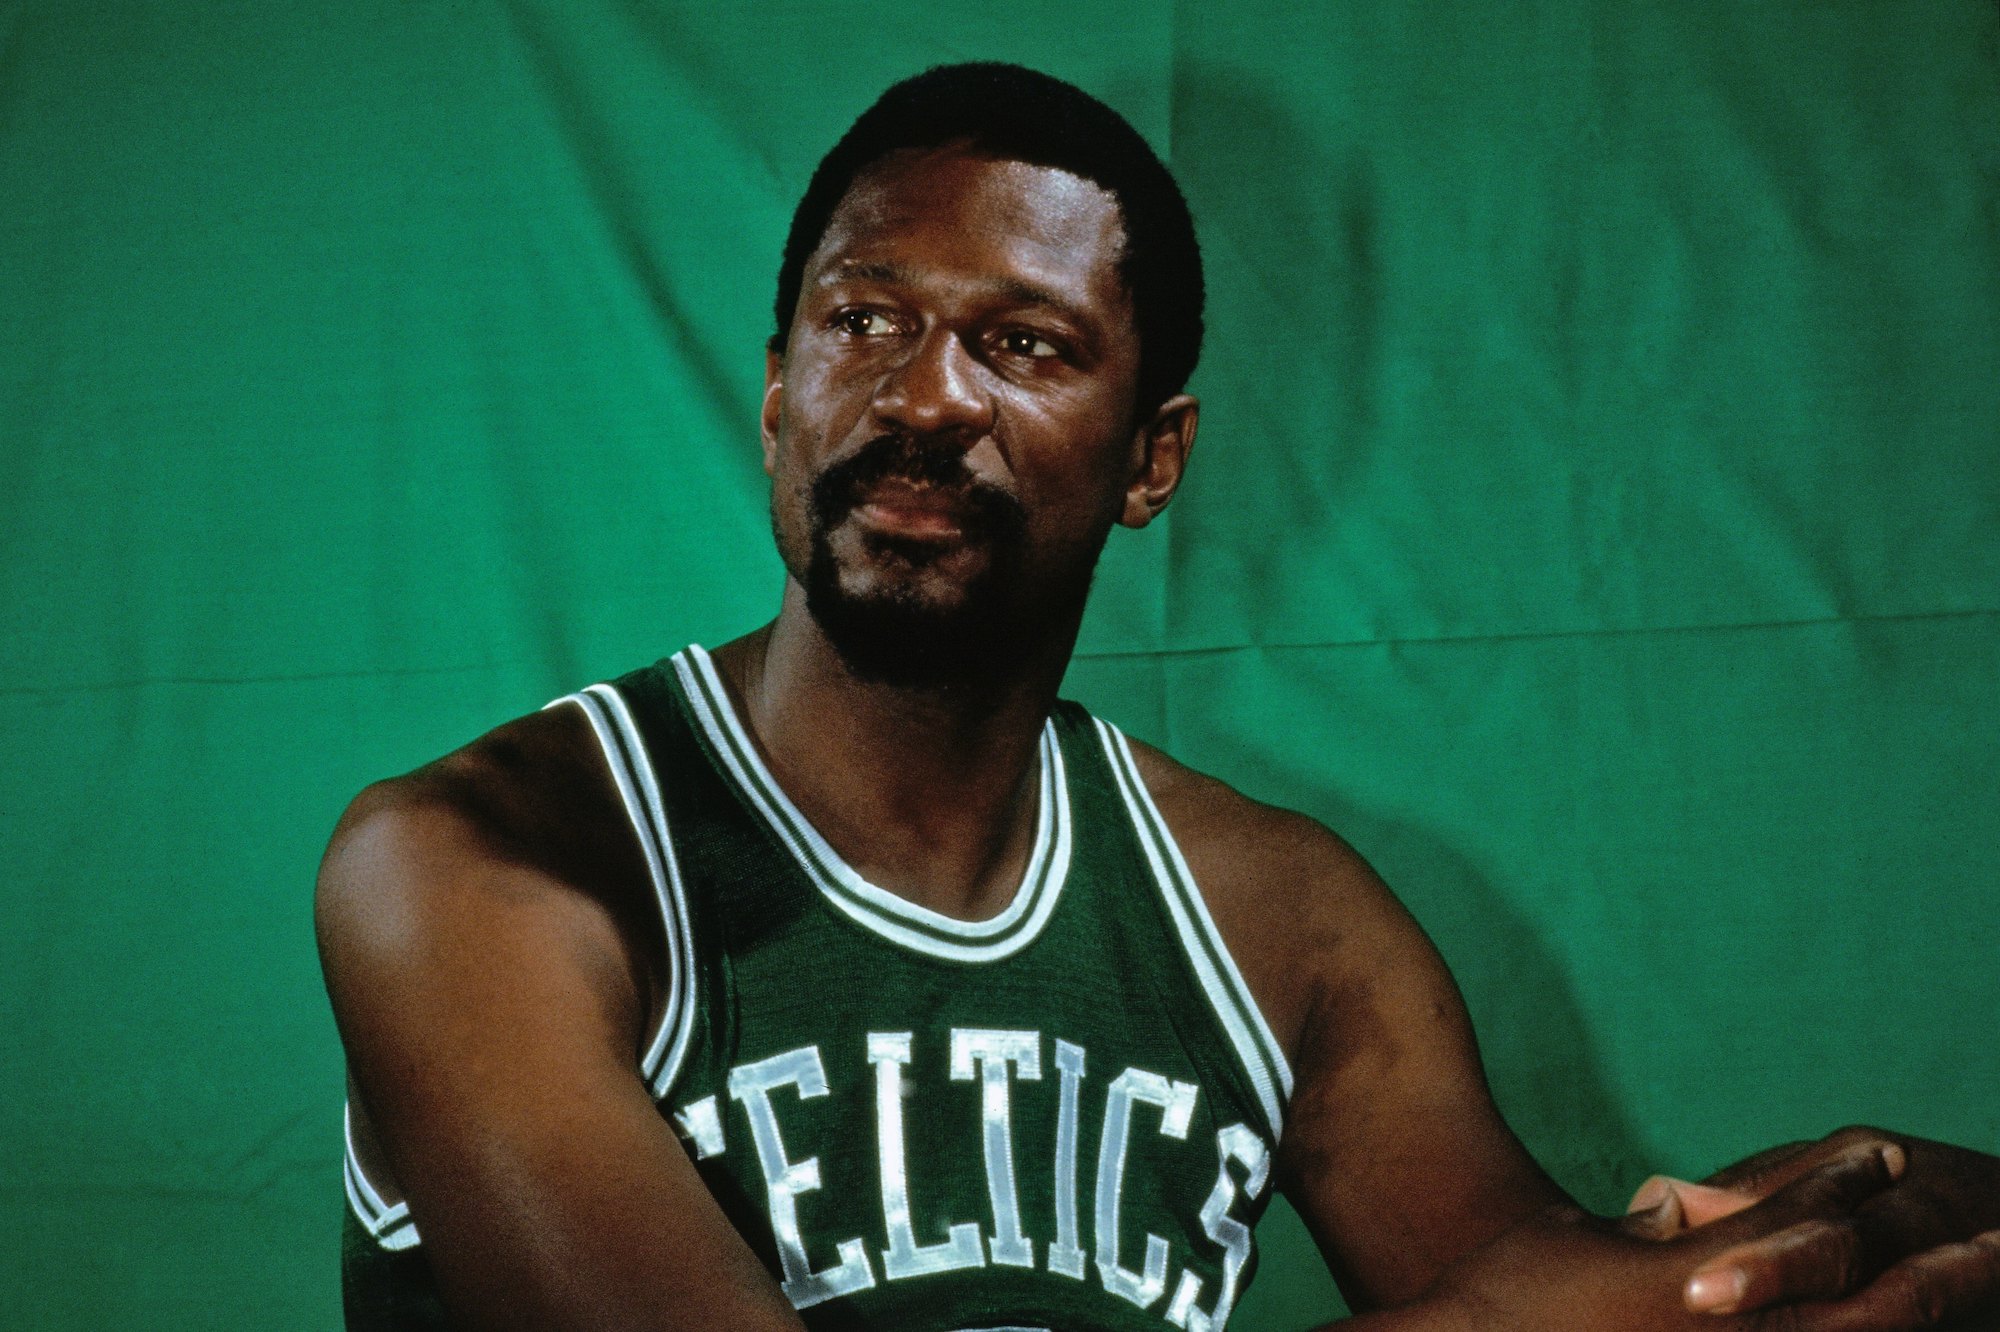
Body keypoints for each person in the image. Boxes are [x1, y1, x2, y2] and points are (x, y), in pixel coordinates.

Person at [316, 63, 2000, 1330]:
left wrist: (1831, 1227)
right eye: (862, 321)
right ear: (777, 395)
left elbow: (1546, 1283)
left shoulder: (1284, 925)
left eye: (1026, 346)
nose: (920, 399)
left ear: (1153, 458)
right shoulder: (472, 873)